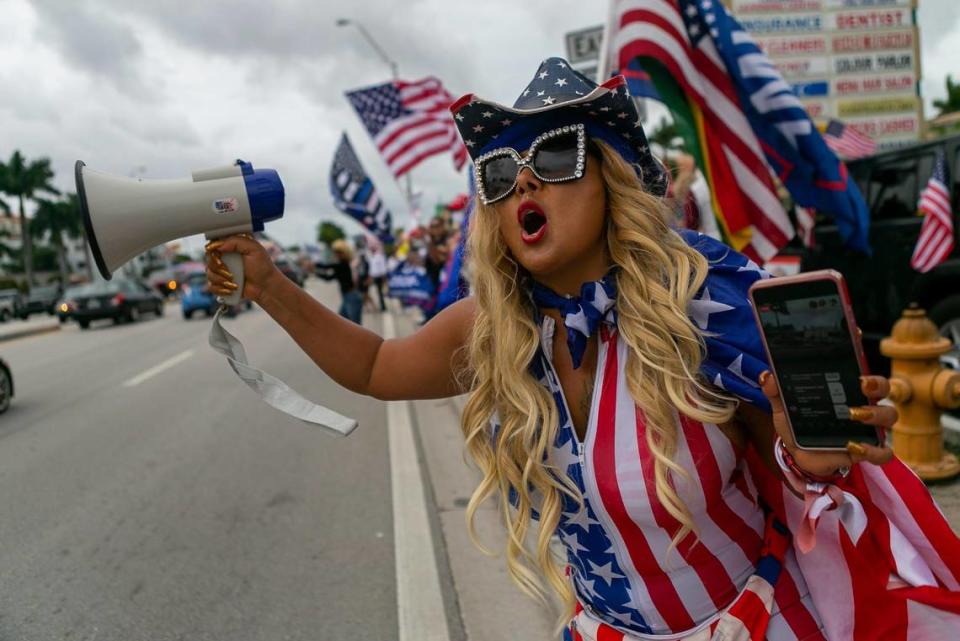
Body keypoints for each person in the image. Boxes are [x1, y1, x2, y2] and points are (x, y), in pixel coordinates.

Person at [205, 58, 959, 640]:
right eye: (498, 173)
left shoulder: (701, 306)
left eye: (557, 155)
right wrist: (266, 281)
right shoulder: (495, 332)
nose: (524, 177)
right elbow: (373, 366)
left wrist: (814, 456)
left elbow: (795, 465)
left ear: (611, 179)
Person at [313, 238, 362, 324]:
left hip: (351, 297)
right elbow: (328, 278)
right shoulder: (340, 265)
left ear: (345, 253)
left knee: (355, 326)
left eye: (339, 252)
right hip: (347, 297)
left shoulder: (342, 264)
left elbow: (326, 267)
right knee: (342, 322)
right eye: (336, 252)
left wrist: (314, 266)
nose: (336, 254)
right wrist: (315, 272)